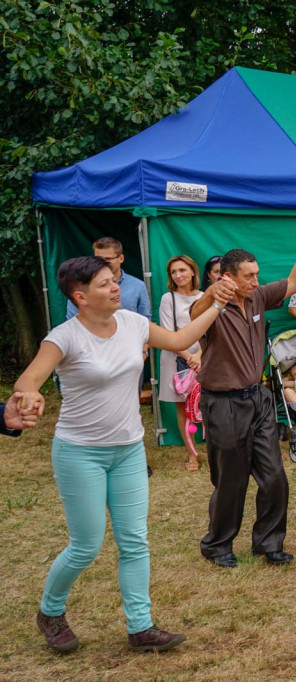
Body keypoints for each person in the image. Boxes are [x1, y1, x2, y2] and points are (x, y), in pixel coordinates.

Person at [13, 255, 231, 653]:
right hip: (80, 453)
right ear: (80, 296)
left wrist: (217, 304)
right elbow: (30, 378)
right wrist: (26, 395)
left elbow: (181, 341)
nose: (116, 287)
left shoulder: (132, 324)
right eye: (104, 284)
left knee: (134, 542)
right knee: (87, 544)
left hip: (129, 449)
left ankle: (141, 626)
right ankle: (50, 610)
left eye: (114, 280)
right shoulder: (64, 337)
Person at [190, 228, 296, 569]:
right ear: (228, 278)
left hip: (259, 399)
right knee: (230, 481)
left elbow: (295, 281)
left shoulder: (258, 297)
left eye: (257, 274)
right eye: (248, 275)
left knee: (275, 477)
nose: (255, 280)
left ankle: (269, 543)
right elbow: (193, 315)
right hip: (223, 403)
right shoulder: (212, 307)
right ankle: (217, 545)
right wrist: (212, 294)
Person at [157, 255, 204, 471]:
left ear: (193, 271)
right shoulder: (169, 299)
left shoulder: (205, 297)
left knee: (207, 406)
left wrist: (200, 355)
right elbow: (168, 333)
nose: (178, 275)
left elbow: (215, 331)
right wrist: (188, 357)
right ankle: (192, 455)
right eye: (174, 272)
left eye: (182, 270)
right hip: (176, 359)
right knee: (182, 409)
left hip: (204, 358)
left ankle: (213, 453)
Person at [65, 237, 150, 321]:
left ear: (121, 258)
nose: (103, 263)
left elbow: (145, 321)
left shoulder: (138, 286)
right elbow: (72, 321)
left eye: (108, 259)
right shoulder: (81, 287)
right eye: (98, 259)